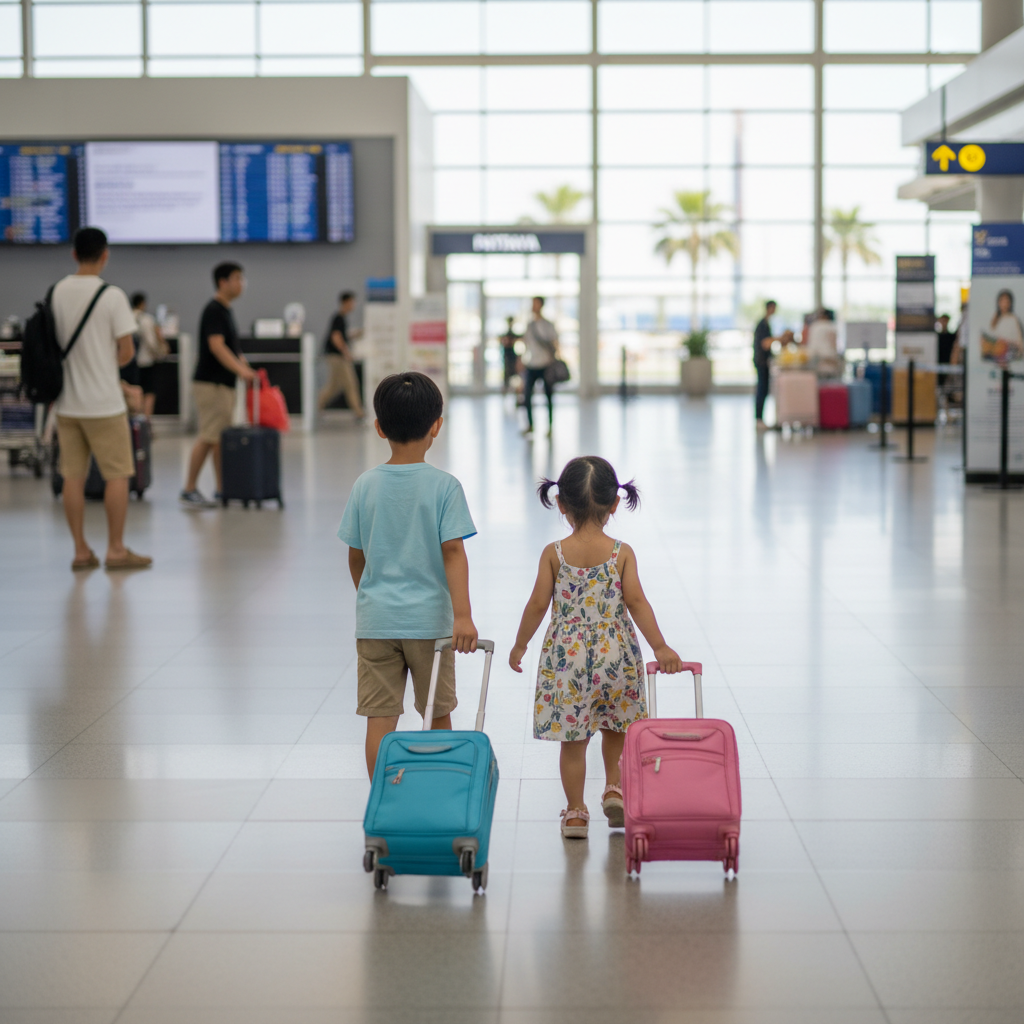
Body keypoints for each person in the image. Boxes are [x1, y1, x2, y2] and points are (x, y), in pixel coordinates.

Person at [509, 456, 683, 839]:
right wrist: (661, 646)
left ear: (561, 504)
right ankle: (614, 787)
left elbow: (538, 604)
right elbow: (637, 602)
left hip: (568, 662)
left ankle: (575, 813)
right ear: (615, 503)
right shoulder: (621, 553)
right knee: (616, 727)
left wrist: (520, 644)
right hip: (615, 655)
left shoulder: (554, 554)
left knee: (574, 742)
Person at [338, 371, 479, 777]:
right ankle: (438, 795)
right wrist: (462, 616)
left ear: (379, 427)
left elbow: (355, 556)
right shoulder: (444, 487)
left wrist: (372, 598)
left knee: (380, 720)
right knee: (436, 715)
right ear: (437, 425)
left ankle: (383, 802)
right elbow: (453, 552)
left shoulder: (365, 485)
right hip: (430, 625)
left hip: (376, 621)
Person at [52, 227, 152, 571]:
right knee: (117, 476)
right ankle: (115, 549)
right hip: (105, 405)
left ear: (74, 254)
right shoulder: (112, 296)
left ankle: (80, 551)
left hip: (66, 404)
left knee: (73, 478)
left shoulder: (57, 292)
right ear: (105, 255)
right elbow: (126, 352)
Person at [180, 262, 255, 510]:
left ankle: (223, 488)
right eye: (237, 278)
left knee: (217, 438)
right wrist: (240, 369)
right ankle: (189, 488)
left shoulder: (225, 310)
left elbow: (232, 348)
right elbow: (216, 346)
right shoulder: (214, 310)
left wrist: (245, 366)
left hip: (222, 385)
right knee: (210, 436)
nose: (241, 283)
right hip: (211, 384)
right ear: (223, 282)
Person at [318, 290, 365, 418]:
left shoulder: (342, 318)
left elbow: (342, 335)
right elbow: (336, 337)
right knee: (350, 383)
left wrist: (356, 334)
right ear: (346, 302)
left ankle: (317, 405)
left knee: (333, 387)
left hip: (335, 357)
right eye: (352, 302)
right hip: (337, 357)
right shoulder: (338, 318)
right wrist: (346, 352)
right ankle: (359, 412)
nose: (353, 305)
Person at [521, 296, 558, 437]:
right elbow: (526, 344)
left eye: (535, 303)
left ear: (541, 305)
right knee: (527, 396)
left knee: (548, 396)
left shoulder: (548, 325)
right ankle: (530, 425)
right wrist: (522, 360)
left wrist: (553, 359)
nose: (533, 306)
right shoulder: (529, 325)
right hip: (531, 365)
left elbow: (554, 343)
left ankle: (549, 426)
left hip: (545, 365)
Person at [131, 292, 168, 419]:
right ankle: (145, 422)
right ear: (142, 303)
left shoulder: (127, 317)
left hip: (130, 362)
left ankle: (135, 420)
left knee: (135, 392)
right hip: (146, 361)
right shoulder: (146, 319)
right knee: (149, 393)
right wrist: (161, 352)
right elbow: (151, 342)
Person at [980, 289, 1024, 366]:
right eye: (1002, 301)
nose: (1004, 304)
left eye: (1006, 302)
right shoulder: (996, 318)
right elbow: (991, 336)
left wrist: (1006, 343)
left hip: (1009, 353)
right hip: (996, 354)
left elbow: (1019, 341)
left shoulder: (1013, 319)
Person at [753, 300, 777, 430]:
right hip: (761, 362)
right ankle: (759, 419)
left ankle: (760, 419)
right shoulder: (763, 324)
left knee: (764, 389)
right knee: (762, 389)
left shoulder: (766, 323)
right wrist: (780, 339)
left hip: (763, 361)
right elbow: (765, 343)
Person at [499, 316, 520, 394]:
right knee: (508, 375)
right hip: (507, 357)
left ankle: (514, 392)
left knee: (514, 375)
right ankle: (506, 390)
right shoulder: (506, 334)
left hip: (511, 356)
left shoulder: (511, 334)